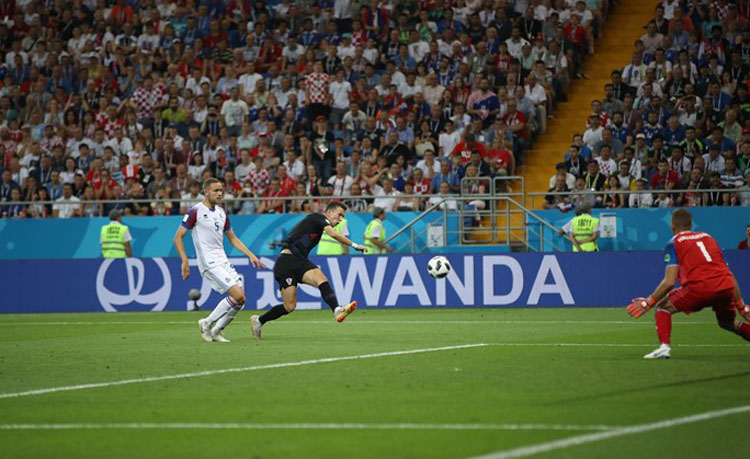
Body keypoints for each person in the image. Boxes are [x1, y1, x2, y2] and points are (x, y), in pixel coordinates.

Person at [627, 209, 750, 359]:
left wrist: (649, 302)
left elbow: (669, 281)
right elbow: (728, 274)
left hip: (699, 288)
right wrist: (741, 306)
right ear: (691, 225)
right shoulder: (709, 238)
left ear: (672, 227)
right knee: (727, 323)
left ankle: (664, 347)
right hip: (725, 286)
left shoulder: (673, 243)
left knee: (663, 307)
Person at [250, 202, 367, 339]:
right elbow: (333, 234)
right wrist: (354, 245)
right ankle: (259, 321)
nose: (341, 219)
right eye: (339, 214)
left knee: (320, 278)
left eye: (343, 216)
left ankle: (336, 310)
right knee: (289, 306)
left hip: (300, 262)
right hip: (286, 263)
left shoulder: (319, 226)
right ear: (329, 212)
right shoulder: (317, 217)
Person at [173, 178, 266, 343]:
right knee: (237, 294)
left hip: (222, 259)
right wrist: (184, 260)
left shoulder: (222, 212)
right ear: (206, 192)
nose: (220, 193)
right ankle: (206, 323)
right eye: (215, 190)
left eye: (221, 190)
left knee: (241, 299)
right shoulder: (195, 211)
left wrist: (250, 254)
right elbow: (178, 237)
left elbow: (233, 238)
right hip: (208, 262)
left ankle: (216, 331)